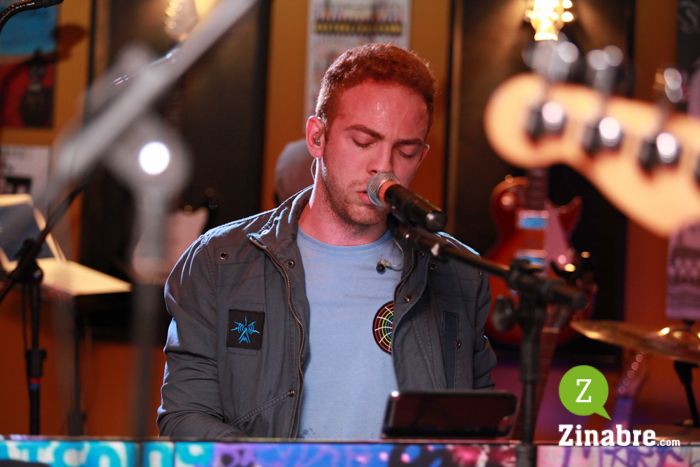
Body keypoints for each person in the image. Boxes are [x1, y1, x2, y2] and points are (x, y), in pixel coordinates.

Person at [157, 43, 496, 440]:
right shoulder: (218, 262)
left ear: (421, 156)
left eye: (405, 151)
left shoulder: (460, 272)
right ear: (317, 137)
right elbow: (183, 419)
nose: (383, 168)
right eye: (363, 142)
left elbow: (479, 431)